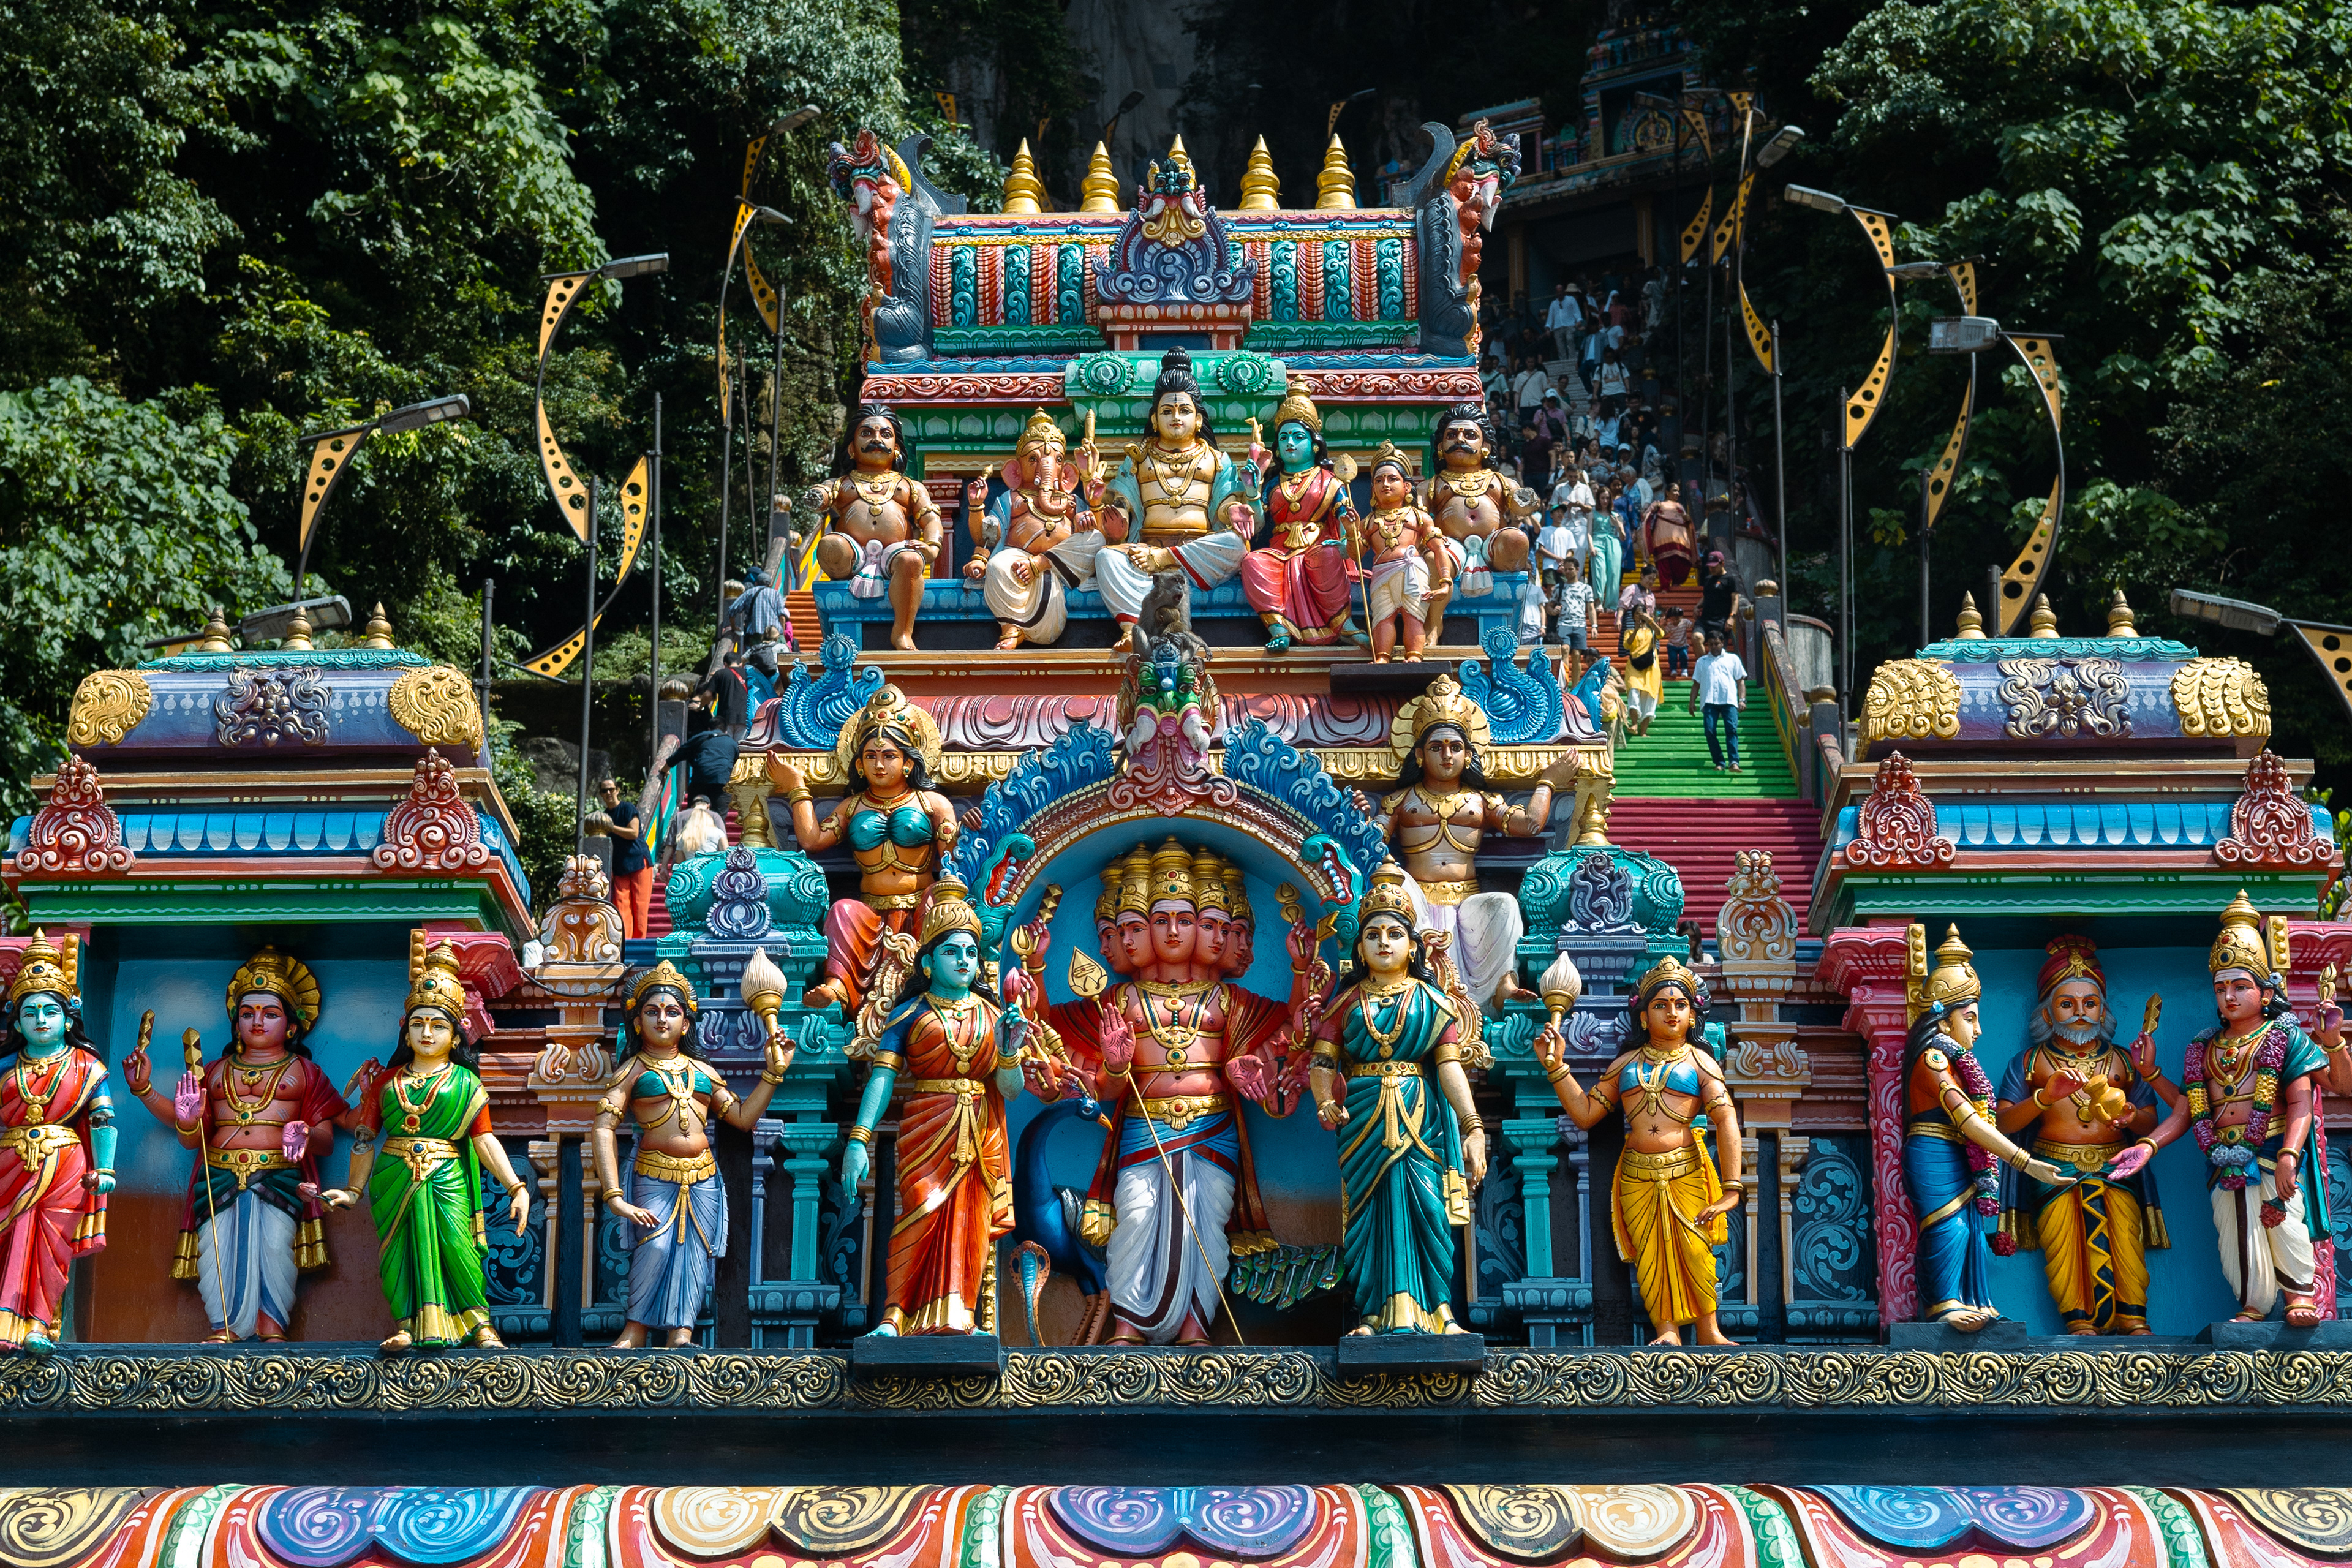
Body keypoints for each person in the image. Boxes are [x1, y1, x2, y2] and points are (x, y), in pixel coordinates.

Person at [310, 944, 532, 1352]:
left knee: (457, 1246)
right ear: (406, 1031)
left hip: (447, 1175)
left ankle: (479, 1325)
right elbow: (364, 1138)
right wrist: (353, 1190)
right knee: (401, 1251)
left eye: (438, 1025)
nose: (427, 1033)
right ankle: (408, 1325)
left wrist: (516, 1187)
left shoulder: (467, 1083)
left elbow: (484, 1139)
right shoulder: (386, 1082)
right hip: (394, 1175)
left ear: (456, 1035)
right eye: (419, 1024)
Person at [122, 945, 350, 1343]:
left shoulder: (305, 1072)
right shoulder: (214, 1072)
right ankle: (224, 1327)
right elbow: (191, 1136)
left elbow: (327, 1140)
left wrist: (306, 1135)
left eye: (270, 1014)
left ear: (292, 1026)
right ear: (236, 1022)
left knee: (276, 1249)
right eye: (247, 1014)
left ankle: (271, 1327)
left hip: (278, 1176)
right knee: (217, 1252)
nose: (257, 1022)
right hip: (219, 1176)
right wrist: (146, 1091)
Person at [840, 878, 1030, 1337]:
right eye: (951, 952)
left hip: (980, 1130)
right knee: (920, 1211)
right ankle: (895, 1316)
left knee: (971, 1219)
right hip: (926, 1124)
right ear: (928, 962)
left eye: (971, 953)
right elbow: (883, 1078)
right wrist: (859, 1140)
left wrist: (1009, 1052)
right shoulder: (909, 1015)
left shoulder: (992, 1015)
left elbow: (1010, 1090)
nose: (964, 961)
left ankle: (964, 1316)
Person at [1308, 865, 1486, 1336]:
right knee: (1368, 1214)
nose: (1383, 943)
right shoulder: (1345, 1003)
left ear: (1413, 946)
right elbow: (1322, 1062)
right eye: (1373, 935)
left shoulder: (1432, 1000)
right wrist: (1324, 1100)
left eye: (1394, 934)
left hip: (1420, 1116)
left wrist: (1472, 1126)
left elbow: (1449, 1067)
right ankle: (1373, 1314)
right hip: (1363, 1118)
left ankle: (1439, 1312)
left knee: (1428, 1208)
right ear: (1360, 949)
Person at [1538, 955, 1743, 1346]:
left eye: (1680, 1005)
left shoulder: (1701, 1062)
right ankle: (1666, 1332)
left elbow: (1726, 1120)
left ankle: (1709, 1330)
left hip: (1686, 1171)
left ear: (1693, 1016)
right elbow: (1586, 1114)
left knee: (1696, 1252)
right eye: (1661, 1005)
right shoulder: (1626, 1064)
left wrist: (1731, 1189)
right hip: (1637, 1175)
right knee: (1651, 1254)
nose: (1672, 1013)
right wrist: (1557, 1068)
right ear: (1644, 1017)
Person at [595, 961, 796, 1348]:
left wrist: (773, 1073)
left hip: (702, 1175)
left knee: (695, 1253)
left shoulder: (703, 1071)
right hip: (654, 1173)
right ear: (637, 1023)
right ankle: (635, 1330)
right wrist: (614, 1196)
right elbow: (603, 1127)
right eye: (652, 1012)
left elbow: (742, 1118)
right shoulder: (632, 1071)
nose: (662, 1020)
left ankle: (682, 1332)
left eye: (672, 1012)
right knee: (654, 1247)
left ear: (686, 1024)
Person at [1900, 925, 2073, 1333]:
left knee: (1972, 1229)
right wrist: (2026, 1162)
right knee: (1948, 1224)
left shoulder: (1956, 1064)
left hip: (1957, 1153)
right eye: (1970, 1018)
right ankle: (1944, 1304)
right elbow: (1970, 1121)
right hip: (1933, 1153)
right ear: (1944, 1023)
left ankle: (1973, 1300)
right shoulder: (1933, 1062)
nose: (1978, 1030)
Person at [1993, 937, 2169, 1336]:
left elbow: (2150, 1123)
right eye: (2067, 1004)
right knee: (2064, 1242)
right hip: (2054, 1166)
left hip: (2116, 1165)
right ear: (2047, 1011)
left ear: (2103, 1010)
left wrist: (2130, 1118)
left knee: (2125, 1237)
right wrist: (2044, 1097)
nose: (2079, 1013)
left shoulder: (2124, 1060)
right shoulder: (2031, 1061)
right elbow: (2003, 1124)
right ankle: (2079, 1320)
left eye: (2090, 1003)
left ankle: (2133, 1317)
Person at [769, 686, 959, 1015]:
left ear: (909, 763)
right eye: (871, 757)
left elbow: (953, 862)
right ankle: (837, 988)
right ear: (859, 764)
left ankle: (941, 983)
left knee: (941, 899)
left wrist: (968, 833)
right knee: (842, 910)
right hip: (872, 911)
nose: (879, 765)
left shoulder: (933, 803)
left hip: (921, 908)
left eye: (889, 756)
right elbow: (812, 841)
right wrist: (798, 788)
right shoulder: (853, 807)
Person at [1088, 349, 1259, 649]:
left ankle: (1169, 558)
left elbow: (1224, 501)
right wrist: (1110, 512)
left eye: (1184, 411)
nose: (1176, 418)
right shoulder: (1138, 458)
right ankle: (1133, 629)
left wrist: (1233, 510)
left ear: (1198, 419)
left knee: (1235, 544)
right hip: (1145, 551)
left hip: (1198, 552)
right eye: (1167, 412)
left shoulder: (1216, 458)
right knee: (1106, 558)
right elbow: (1125, 502)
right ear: (1155, 420)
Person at [0, 932, 114, 1354]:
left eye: (51, 1011)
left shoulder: (87, 1066)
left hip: (65, 1162)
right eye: (30, 1013)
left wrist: (106, 1168)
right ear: (17, 1023)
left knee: (52, 1244)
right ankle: (4, 1320)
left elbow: (102, 1119)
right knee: (10, 1238)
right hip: (9, 1163)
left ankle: (38, 1324)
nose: (41, 1020)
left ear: (69, 1020)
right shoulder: (4, 1066)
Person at [1240, 378, 1365, 652]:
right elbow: (1257, 525)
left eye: (1298, 437)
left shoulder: (1331, 482)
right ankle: (1278, 627)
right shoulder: (1272, 484)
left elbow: (1345, 522)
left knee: (1328, 555)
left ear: (1315, 444)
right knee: (1252, 562)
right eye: (1284, 438)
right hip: (1279, 550)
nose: (1290, 443)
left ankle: (1344, 625)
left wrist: (1348, 539)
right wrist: (1251, 490)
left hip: (1317, 547)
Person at [808, 402, 943, 652]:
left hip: (896, 553)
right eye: (867, 433)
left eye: (886, 434)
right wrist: (819, 496)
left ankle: (902, 633)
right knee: (830, 545)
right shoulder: (843, 484)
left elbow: (931, 519)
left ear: (897, 448)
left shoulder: (910, 487)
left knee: (912, 560)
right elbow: (825, 493)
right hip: (854, 554)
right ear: (852, 448)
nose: (877, 440)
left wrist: (933, 546)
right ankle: (848, 590)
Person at [600, 778, 653, 940]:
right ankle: (626, 944)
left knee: (640, 907)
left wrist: (611, 827)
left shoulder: (627, 808)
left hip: (638, 861)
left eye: (611, 789)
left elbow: (634, 832)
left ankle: (639, 945)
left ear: (617, 790)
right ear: (601, 794)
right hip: (620, 865)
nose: (608, 793)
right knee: (621, 908)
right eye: (604, 791)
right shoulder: (605, 815)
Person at [1689, 631, 1748, 772]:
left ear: (1722, 643)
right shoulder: (1702, 662)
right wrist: (1692, 702)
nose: (1714, 647)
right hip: (1709, 701)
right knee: (1709, 731)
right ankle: (1719, 762)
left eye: (1717, 643)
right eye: (1711, 644)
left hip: (1729, 700)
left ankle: (1734, 762)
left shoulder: (1733, 659)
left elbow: (1740, 681)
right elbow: (1696, 684)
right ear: (1707, 645)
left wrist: (1742, 700)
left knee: (1731, 730)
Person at [1621, 607, 1662, 736]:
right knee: (1633, 693)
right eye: (1637, 614)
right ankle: (1634, 725)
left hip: (1651, 668)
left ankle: (1643, 732)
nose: (1640, 616)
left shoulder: (1652, 630)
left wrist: (1650, 621)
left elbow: (1661, 634)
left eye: (1642, 613)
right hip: (1634, 667)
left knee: (1649, 697)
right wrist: (1637, 629)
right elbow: (1627, 645)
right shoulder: (1629, 631)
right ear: (1634, 616)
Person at [1555, 559, 1596, 667]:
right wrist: (1553, 610)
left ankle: (1575, 679)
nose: (1568, 572)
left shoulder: (1586, 588)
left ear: (1577, 570)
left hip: (1580, 624)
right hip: (1563, 623)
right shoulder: (1559, 588)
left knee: (1577, 654)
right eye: (1566, 569)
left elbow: (1591, 608)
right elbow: (1550, 605)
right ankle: (1565, 677)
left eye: (1571, 569)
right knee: (1565, 649)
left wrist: (1594, 626)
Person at [1697, 551, 1744, 642]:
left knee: (1717, 646)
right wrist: (1697, 606)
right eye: (1710, 567)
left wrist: (1732, 618)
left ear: (1722, 564)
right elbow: (1705, 597)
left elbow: (1735, 600)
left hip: (1721, 620)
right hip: (1705, 619)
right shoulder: (1708, 579)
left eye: (1714, 567)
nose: (1711, 569)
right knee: (1696, 638)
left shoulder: (1731, 579)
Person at [1545, 280, 1583, 364]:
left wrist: (1579, 320)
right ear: (1556, 293)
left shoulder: (1571, 300)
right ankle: (1564, 363)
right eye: (1558, 292)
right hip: (1558, 327)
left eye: (1561, 291)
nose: (1560, 294)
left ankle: (1572, 361)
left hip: (1569, 325)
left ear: (1564, 292)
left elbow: (1576, 311)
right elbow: (1550, 317)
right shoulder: (1553, 304)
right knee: (1560, 346)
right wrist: (1548, 328)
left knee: (1570, 341)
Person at [1661, 606, 1692, 678]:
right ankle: (1673, 670)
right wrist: (1662, 625)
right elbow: (1664, 633)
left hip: (1683, 645)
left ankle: (1684, 669)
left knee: (1684, 656)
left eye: (1677, 619)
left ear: (1681, 617)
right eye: (1673, 620)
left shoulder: (1685, 622)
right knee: (1673, 657)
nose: (1675, 622)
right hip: (1672, 645)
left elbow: (1692, 625)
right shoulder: (1670, 625)